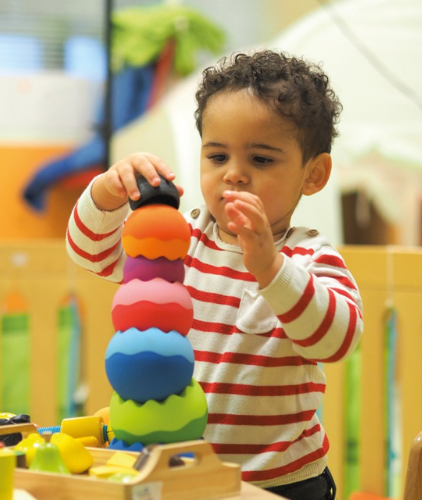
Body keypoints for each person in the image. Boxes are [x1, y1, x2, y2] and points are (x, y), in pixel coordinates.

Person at [66, 50, 361, 499]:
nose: (234, 176)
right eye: (218, 156)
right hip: (183, 476)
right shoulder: (179, 239)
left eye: (261, 160)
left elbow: (338, 338)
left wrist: (269, 267)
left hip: (280, 481)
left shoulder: (307, 257)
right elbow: (94, 253)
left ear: (313, 174)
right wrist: (107, 192)